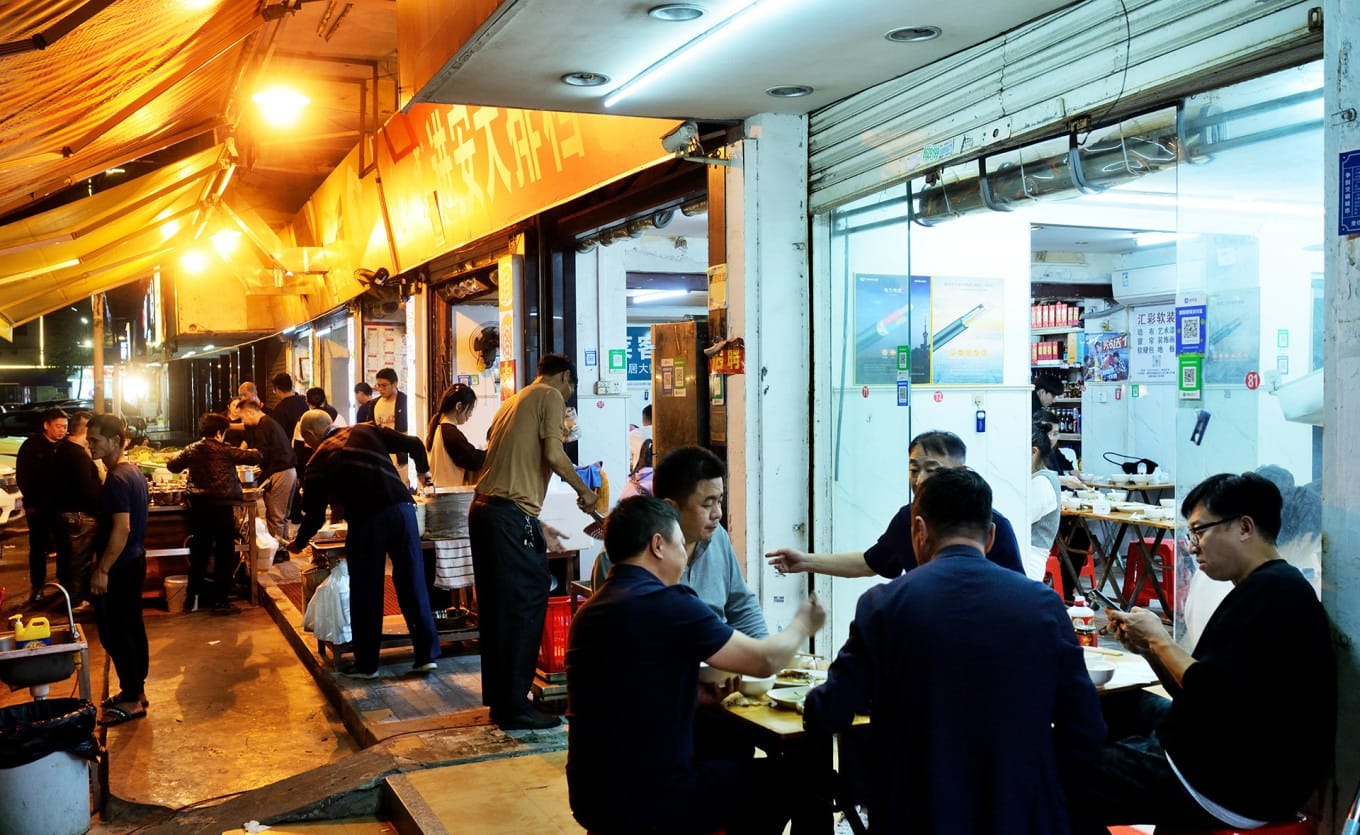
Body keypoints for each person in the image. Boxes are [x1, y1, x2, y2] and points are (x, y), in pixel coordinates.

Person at [804, 467, 1105, 834]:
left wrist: (809, 701)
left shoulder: (883, 605)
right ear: (991, 536)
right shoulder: (1042, 605)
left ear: (919, 530)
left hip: (916, 813)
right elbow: (1084, 725)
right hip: (1021, 811)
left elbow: (833, 709)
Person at [1068, 472, 1335, 833]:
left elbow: (1211, 693)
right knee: (1112, 705)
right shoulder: (1264, 587)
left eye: (1199, 531)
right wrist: (1148, 650)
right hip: (1226, 750)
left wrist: (1161, 640)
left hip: (1233, 784)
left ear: (1244, 527)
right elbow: (1198, 692)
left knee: (1059, 773)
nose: (1192, 547)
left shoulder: (1277, 595)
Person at [566, 496, 826, 835]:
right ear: (658, 545)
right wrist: (804, 623)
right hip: (654, 797)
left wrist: (690, 696)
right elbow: (764, 661)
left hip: (592, 796)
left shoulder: (590, 611)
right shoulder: (667, 602)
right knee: (801, 778)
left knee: (727, 752)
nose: (684, 557)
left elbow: (622, 694)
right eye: (680, 545)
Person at [469, 353, 598, 730]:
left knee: (497, 608)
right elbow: (553, 455)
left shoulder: (512, 401)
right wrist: (584, 491)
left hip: (486, 512)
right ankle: (514, 708)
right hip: (507, 516)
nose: (570, 392)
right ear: (563, 377)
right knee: (524, 604)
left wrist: (537, 523)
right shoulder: (550, 397)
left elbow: (511, 465)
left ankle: (502, 701)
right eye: (571, 384)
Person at [287, 410, 442, 677]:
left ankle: (368, 664)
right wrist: (424, 473)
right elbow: (415, 443)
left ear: (311, 435)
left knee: (366, 590)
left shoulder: (317, 461)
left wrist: (298, 543)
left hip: (366, 519)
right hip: (402, 509)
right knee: (412, 582)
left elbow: (313, 516)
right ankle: (427, 655)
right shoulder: (366, 429)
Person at [766, 429, 1024, 579]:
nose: (920, 480)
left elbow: (1015, 589)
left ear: (962, 470)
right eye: (914, 470)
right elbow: (870, 563)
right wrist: (805, 561)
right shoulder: (907, 518)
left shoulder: (988, 523)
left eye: (933, 470)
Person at [592, 445, 767, 638]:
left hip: (718, 661)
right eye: (707, 504)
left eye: (720, 501)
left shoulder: (718, 537)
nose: (718, 514)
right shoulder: (623, 556)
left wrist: (764, 657)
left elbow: (742, 607)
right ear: (671, 508)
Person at [87, 413, 151, 726]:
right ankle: (135, 692)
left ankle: (131, 698)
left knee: (116, 633)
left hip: (121, 565)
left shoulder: (116, 478)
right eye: (88, 440)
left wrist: (102, 569)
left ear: (115, 440)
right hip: (134, 560)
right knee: (131, 627)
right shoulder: (132, 472)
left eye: (96, 440)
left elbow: (121, 528)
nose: (90, 446)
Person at [167, 413, 262, 614]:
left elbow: (172, 465)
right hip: (222, 506)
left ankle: (191, 598)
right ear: (220, 432)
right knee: (224, 553)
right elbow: (255, 456)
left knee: (199, 552)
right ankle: (220, 601)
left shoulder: (192, 449)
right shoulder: (225, 449)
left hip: (199, 507)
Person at [16, 407, 68, 604]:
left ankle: (63, 584)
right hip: (38, 507)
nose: (62, 430)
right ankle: (37, 587)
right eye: (58, 426)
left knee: (64, 544)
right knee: (38, 547)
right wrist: (31, 503)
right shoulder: (31, 447)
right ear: (46, 425)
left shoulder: (65, 447)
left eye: (65, 427)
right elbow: (23, 477)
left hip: (61, 506)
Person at [52, 410, 102, 608]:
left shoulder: (63, 449)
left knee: (69, 559)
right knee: (78, 562)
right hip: (78, 516)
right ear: (85, 430)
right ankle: (74, 602)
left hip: (65, 514)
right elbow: (87, 489)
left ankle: (69, 598)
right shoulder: (77, 455)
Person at [237, 399, 297, 560]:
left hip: (281, 472)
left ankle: (275, 552)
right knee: (281, 515)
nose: (243, 422)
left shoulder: (264, 426)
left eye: (243, 417)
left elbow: (261, 453)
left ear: (250, 412)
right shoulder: (268, 423)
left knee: (275, 515)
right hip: (287, 471)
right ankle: (282, 549)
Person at [424, 383, 486, 487]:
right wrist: (493, 450)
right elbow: (473, 460)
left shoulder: (440, 428)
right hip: (447, 496)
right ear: (459, 406)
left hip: (439, 493)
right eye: (470, 410)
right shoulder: (450, 433)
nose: (470, 415)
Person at [1027, 423, 1062, 581]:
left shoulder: (1042, 483)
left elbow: (1018, 521)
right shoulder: (1035, 479)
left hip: (1030, 559)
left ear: (1033, 452)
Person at [270, 373, 308, 440]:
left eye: (274, 389)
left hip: (291, 447)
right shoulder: (305, 400)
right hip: (308, 445)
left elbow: (279, 437)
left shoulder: (279, 410)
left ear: (277, 389)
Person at [628, 403, 653, 471]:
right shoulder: (665, 432)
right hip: (663, 474)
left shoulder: (633, 434)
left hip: (641, 475)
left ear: (643, 418)